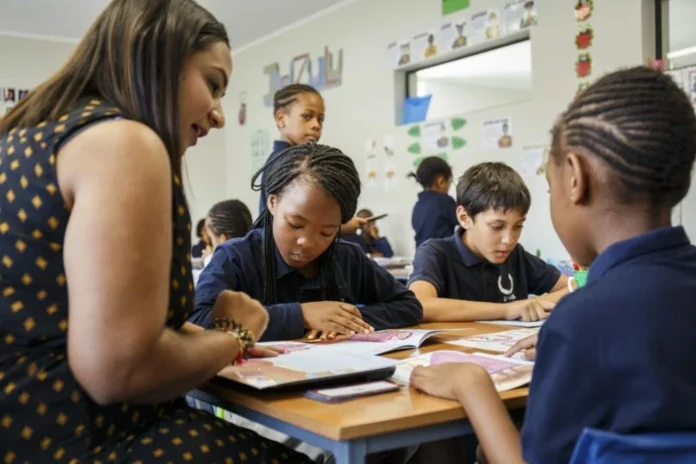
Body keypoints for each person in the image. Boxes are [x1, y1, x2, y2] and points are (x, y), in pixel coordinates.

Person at [0, 0, 315, 461]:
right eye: (212, 85)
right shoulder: (125, 142)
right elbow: (118, 370)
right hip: (79, 436)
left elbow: (82, 314)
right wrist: (237, 334)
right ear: (157, 56)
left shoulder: (26, 138)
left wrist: (205, 342)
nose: (218, 115)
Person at [410, 66, 696, 464]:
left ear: (575, 178)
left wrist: (473, 387)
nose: (509, 237)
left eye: (550, 185)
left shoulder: (581, 320)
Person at [191, 144, 423, 341]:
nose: (307, 242)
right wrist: (300, 315)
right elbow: (198, 320)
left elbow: (409, 305)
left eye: (326, 232)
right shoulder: (235, 258)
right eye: (295, 224)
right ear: (272, 203)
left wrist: (342, 320)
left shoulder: (347, 257)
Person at [408, 162, 568, 322]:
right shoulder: (435, 253)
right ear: (464, 218)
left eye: (518, 226)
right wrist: (507, 310)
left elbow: (572, 287)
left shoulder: (515, 255)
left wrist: (532, 305)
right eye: (497, 226)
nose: (509, 240)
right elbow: (420, 305)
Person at [257, 84, 366, 235]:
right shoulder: (287, 163)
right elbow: (300, 221)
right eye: (307, 116)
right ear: (281, 119)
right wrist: (341, 227)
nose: (316, 125)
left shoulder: (292, 159)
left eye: (320, 120)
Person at [408, 156, 458, 248]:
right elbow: (465, 221)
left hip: (421, 254)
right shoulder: (445, 201)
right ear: (441, 181)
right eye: (449, 182)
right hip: (442, 254)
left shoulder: (417, 206)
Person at [202, 199, 253, 266]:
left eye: (211, 238)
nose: (211, 245)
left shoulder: (221, 267)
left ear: (223, 240)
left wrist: (210, 260)